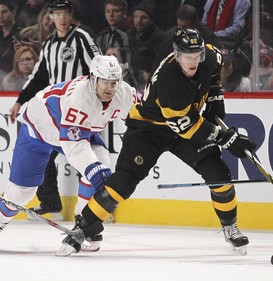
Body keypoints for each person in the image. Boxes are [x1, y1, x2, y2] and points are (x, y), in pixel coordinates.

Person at [57, 28, 256, 257]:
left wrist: (214, 94)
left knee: (219, 174)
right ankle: (80, 230)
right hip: (148, 130)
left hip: (183, 124)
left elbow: (215, 70)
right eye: (187, 56)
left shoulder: (210, 56)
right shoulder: (170, 80)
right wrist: (225, 137)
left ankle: (230, 227)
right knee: (123, 183)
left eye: (197, 55)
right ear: (176, 55)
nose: (193, 61)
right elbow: (186, 126)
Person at [0, 55, 135, 251]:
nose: (110, 88)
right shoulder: (77, 98)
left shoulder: (124, 93)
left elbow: (147, 112)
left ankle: (84, 224)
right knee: (22, 192)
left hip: (76, 130)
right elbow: (75, 147)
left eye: (114, 82)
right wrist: (95, 174)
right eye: (106, 82)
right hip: (39, 129)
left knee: (101, 162)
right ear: (93, 79)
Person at [8, 0, 102, 219]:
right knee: (44, 153)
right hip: (55, 111)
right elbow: (40, 77)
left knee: (83, 156)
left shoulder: (81, 38)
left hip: (79, 110)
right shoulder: (49, 44)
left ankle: (95, 208)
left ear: (70, 16)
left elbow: (98, 66)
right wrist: (20, 101)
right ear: (50, 17)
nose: (61, 18)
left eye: (64, 14)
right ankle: (50, 204)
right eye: (56, 14)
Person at [126, 0, 168, 90]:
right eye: (136, 17)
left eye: (143, 17)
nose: (139, 21)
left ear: (152, 20)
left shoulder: (161, 38)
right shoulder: (128, 35)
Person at [0, 0, 21, 85]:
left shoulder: (21, 34)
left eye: (4, 12)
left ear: (13, 13)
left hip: (13, 81)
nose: (0, 16)